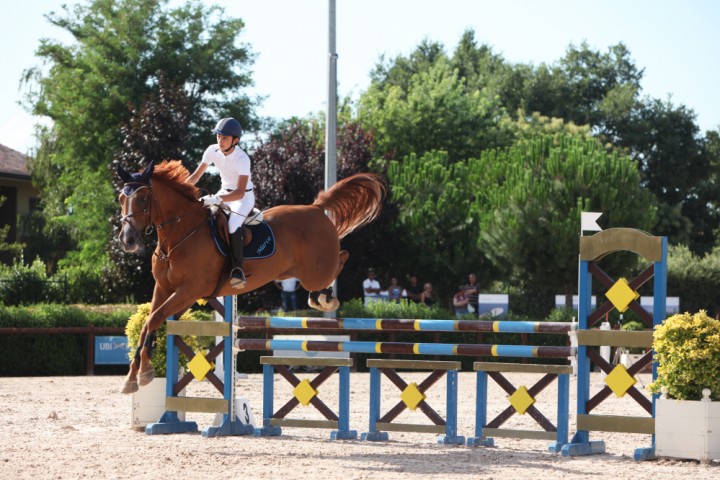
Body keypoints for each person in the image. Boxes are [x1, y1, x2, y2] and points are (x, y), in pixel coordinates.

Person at [188, 117, 254, 289]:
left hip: (243, 198)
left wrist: (217, 199)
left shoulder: (242, 159)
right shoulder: (212, 150)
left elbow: (239, 192)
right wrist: (182, 190)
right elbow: (196, 176)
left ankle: (237, 269)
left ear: (235, 140)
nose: (220, 141)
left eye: (225, 138)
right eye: (218, 136)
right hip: (224, 193)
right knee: (205, 218)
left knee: (232, 225)